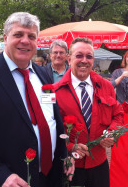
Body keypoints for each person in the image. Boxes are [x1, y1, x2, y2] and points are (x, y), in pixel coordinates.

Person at [0, 12, 73, 187]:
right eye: (18, 34)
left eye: (31, 36)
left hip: (48, 177)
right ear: (5, 38)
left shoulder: (43, 74)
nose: (25, 41)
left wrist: (64, 156)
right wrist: (0, 175)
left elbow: (52, 120)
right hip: (7, 180)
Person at [53, 38, 124, 187]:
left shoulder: (106, 86)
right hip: (70, 165)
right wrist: (70, 146)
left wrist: (111, 133)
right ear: (69, 58)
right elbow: (49, 130)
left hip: (99, 163)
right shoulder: (55, 91)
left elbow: (118, 115)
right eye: (79, 55)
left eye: (89, 56)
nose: (84, 60)